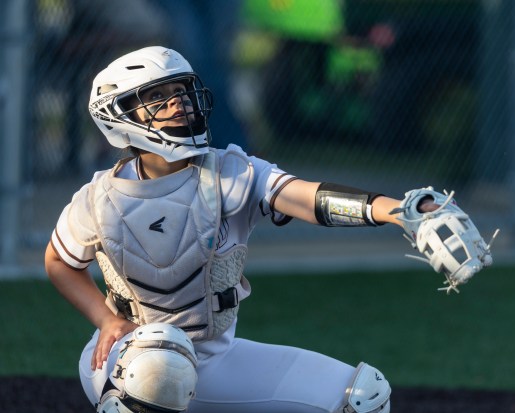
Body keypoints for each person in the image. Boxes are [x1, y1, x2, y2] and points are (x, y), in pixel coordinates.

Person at [44, 46, 447, 413]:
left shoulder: (232, 172)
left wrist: (402, 210)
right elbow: (59, 261)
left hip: (215, 360)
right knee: (158, 369)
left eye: (182, 92)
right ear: (121, 117)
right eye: (157, 98)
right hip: (127, 362)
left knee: (365, 397)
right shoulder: (98, 198)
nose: (179, 104)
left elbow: (308, 198)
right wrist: (106, 320)